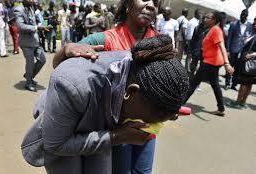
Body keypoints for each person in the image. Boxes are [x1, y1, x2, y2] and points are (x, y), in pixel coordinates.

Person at [21, 35, 190, 174]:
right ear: (131, 92)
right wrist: (117, 137)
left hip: (97, 127)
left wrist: (168, 111)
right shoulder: (72, 85)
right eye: (152, 119)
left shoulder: (138, 73)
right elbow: (56, 144)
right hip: (63, 135)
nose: (151, 125)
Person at [52, 0, 167, 173]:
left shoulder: (162, 43)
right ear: (128, 4)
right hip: (116, 129)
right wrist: (67, 49)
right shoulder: (104, 40)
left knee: (143, 172)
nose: (151, 5)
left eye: (156, 2)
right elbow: (60, 66)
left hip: (148, 127)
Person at [184, 11, 234, 116]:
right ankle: (221, 108)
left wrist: (227, 63)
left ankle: (178, 105)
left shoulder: (216, 30)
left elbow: (222, 47)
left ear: (214, 20)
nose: (205, 19)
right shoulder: (211, 29)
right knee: (215, 84)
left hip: (210, 63)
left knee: (193, 83)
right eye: (205, 17)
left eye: (207, 17)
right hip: (212, 62)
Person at [14, 0, 47, 92]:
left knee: (42, 60)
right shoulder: (18, 10)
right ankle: (28, 83)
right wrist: (36, 28)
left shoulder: (31, 8)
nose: (32, 0)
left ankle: (29, 75)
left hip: (35, 40)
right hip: (26, 43)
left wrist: (42, 26)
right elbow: (21, 26)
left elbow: (35, 22)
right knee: (30, 62)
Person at [227, 18, 256, 109]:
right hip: (250, 63)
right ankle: (242, 102)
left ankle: (238, 102)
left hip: (250, 62)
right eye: (254, 24)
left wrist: (253, 54)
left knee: (245, 82)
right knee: (248, 83)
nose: (254, 25)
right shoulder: (253, 34)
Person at [225, 9, 253, 91]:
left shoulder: (249, 26)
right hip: (233, 50)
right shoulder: (233, 24)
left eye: (244, 16)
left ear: (247, 16)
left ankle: (234, 84)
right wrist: (227, 50)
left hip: (243, 51)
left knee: (238, 68)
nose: (243, 17)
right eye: (242, 15)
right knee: (230, 66)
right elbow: (229, 38)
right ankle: (227, 83)